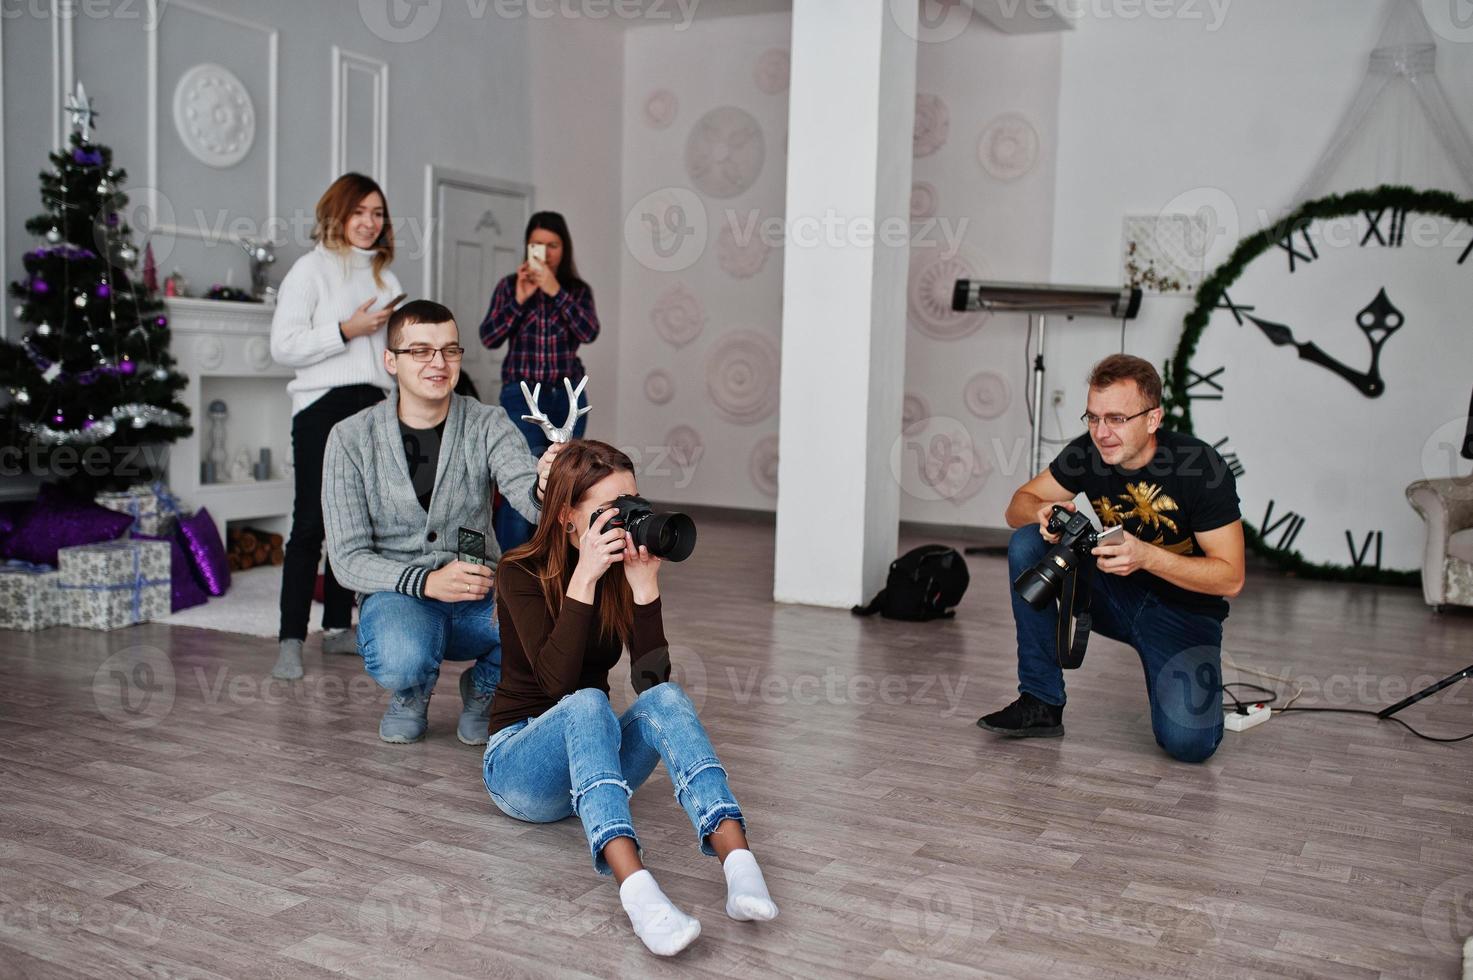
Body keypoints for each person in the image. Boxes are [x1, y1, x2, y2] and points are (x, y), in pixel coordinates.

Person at [482, 441, 777, 956]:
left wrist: (644, 589)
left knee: (667, 697)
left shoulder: (620, 571)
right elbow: (557, 686)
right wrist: (584, 578)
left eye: (632, 505)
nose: (625, 523)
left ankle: (739, 863)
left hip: (592, 763)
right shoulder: (518, 573)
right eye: (607, 513)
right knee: (588, 701)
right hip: (519, 767)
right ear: (567, 518)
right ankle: (639, 894)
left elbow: (651, 682)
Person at [976, 354, 1245, 763]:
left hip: (1185, 614)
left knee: (1188, 745)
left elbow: (1231, 579)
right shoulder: (1088, 452)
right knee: (1030, 543)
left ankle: (1179, 683)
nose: (1102, 433)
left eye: (1117, 419)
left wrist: (1145, 557)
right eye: (1093, 417)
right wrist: (1040, 512)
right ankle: (1041, 701)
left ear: (1153, 419)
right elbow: (1017, 506)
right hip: (1114, 592)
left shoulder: (1200, 467)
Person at [321, 300, 559, 745]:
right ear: (390, 360)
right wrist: (425, 582)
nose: (439, 362)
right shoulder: (350, 438)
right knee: (400, 656)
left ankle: (485, 687)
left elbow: (530, 499)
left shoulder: (488, 422)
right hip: (399, 599)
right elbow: (347, 561)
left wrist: (547, 484)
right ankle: (412, 691)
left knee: (547, 614)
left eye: (450, 350)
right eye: (421, 351)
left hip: (478, 594)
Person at [269, 173, 402, 681]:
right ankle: (290, 639)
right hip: (321, 407)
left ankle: (338, 628)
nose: (370, 223)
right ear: (338, 213)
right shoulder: (309, 271)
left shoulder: (386, 279)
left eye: (378, 213)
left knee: (357, 524)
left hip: (374, 407)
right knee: (310, 524)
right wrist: (346, 329)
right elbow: (284, 346)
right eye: (359, 212)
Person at [478, 212, 600, 552]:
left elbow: (589, 331)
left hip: (566, 398)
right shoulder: (508, 286)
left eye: (553, 245)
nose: (545, 253)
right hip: (522, 398)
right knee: (527, 476)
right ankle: (510, 566)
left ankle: (549, 563)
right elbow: (488, 337)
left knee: (561, 480)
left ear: (565, 249)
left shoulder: (576, 290)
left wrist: (555, 292)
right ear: (526, 247)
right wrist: (519, 299)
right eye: (537, 245)